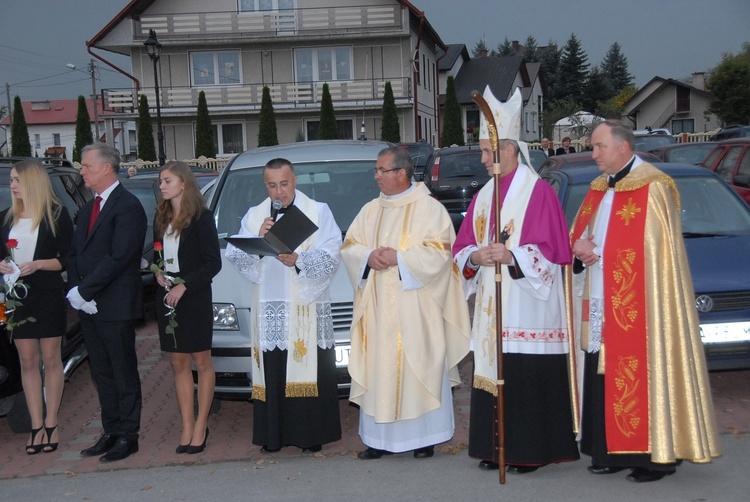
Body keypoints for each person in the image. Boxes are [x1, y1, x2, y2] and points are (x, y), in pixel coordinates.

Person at [569, 120, 721, 482]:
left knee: (641, 371)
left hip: (643, 305)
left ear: (623, 147)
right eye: (593, 147)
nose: (593, 155)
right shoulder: (597, 187)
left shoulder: (653, 187)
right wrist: (579, 249)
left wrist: (599, 252)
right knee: (601, 370)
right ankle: (609, 449)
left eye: (599, 147)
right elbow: (580, 233)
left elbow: (652, 251)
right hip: (601, 295)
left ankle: (654, 457)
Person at [452, 87, 579, 474]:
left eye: (488, 152)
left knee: (523, 376)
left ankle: (529, 451)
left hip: (530, 304)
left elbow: (554, 251)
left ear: (509, 150)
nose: (483, 158)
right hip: (493, 303)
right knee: (492, 367)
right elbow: (462, 248)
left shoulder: (537, 192)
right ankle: (495, 447)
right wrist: (476, 256)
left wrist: (512, 256)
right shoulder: (483, 195)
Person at [341, 147, 470, 460]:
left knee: (420, 367)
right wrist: (368, 257)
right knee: (378, 370)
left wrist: (400, 259)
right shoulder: (370, 210)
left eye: (382, 170)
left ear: (401, 173)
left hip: (418, 308)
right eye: (376, 170)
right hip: (377, 310)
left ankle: (425, 437)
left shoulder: (430, 209)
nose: (376, 176)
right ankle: (377, 440)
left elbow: (442, 255)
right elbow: (349, 246)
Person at [226, 158, 342, 453]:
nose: (279, 192)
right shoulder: (255, 216)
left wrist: (299, 260)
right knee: (274, 367)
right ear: (265, 185)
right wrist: (257, 238)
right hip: (269, 306)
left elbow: (331, 252)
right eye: (272, 185)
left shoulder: (318, 211)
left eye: (284, 184)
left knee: (307, 363)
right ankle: (273, 436)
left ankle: (309, 435)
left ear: (295, 180)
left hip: (304, 306)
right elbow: (237, 254)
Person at [67, 143, 147, 463]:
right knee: (101, 372)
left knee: (122, 370)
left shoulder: (128, 207)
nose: (82, 171)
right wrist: (77, 290)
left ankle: (128, 435)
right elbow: (76, 253)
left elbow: (120, 257)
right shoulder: (88, 208)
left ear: (106, 168)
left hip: (114, 304)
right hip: (89, 305)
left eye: (86, 166)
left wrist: (86, 291)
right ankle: (111, 430)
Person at [0, 160, 73, 455]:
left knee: (51, 358)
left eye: (17, 180)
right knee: (27, 361)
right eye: (12, 180)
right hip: (17, 298)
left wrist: (39, 264)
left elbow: (69, 257)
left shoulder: (56, 215)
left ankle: (52, 422)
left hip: (47, 294)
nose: (12, 185)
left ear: (32, 181)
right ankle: (36, 424)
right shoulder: (7, 219)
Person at [154, 161, 221, 454]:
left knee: (202, 362)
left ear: (183, 183)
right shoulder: (161, 216)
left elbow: (212, 263)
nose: (162, 186)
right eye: (160, 182)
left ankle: (201, 424)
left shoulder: (202, 218)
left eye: (167, 181)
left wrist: (185, 285)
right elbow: (160, 254)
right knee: (178, 363)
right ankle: (186, 424)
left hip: (193, 297)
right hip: (167, 299)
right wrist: (158, 272)